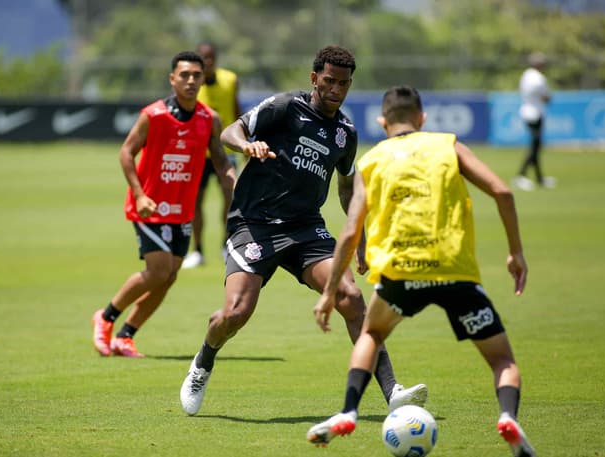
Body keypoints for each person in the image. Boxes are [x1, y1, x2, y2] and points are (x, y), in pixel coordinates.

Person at [179, 46, 427, 415]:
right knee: (235, 313)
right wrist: (247, 145)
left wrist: (357, 236)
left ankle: (392, 392)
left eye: (343, 84)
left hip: (306, 230)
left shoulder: (345, 133)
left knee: (351, 297)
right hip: (254, 223)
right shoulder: (284, 107)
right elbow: (230, 131)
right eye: (328, 81)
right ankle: (202, 363)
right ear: (314, 79)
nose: (335, 89)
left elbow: (346, 188)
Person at [307, 86, 536, 457]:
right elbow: (503, 192)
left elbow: (350, 231)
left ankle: (349, 410)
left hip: (400, 274)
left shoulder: (372, 160)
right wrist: (516, 254)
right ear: (423, 118)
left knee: (372, 333)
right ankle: (508, 417)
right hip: (455, 273)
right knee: (501, 360)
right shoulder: (447, 146)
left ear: (383, 122)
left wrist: (329, 292)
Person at [91, 51, 236, 358]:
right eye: (184, 75)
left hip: (182, 211)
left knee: (169, 277)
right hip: (150, 207)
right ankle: (105, 318)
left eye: (197, 75)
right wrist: (140, 194)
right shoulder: (153, 115)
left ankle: (125, 336)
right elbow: (126, 153)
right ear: (172, 79)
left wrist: (234, 184)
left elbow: (221, 161)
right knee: (158, 271)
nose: (191, 81)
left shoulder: (208, 118)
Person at [181, 42, 242, 269]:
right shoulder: (190, 85)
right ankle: (197, 251)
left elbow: (237, 111)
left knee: (230, 200)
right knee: (196, 202)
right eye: (203, 58)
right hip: (197, 154)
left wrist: (243, 143)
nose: (207, 62)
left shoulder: (230, 80)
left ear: (216, 59)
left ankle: (226, 246)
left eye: (210, 57)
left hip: (225, 152)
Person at [514, 51, 554, 191]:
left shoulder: (526, 74)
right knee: (535, 146)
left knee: (536, 146)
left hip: (526, 111)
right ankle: (521, 175)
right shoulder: (538, 78)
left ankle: (539, 178)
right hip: (535, 113)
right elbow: (546, 97)